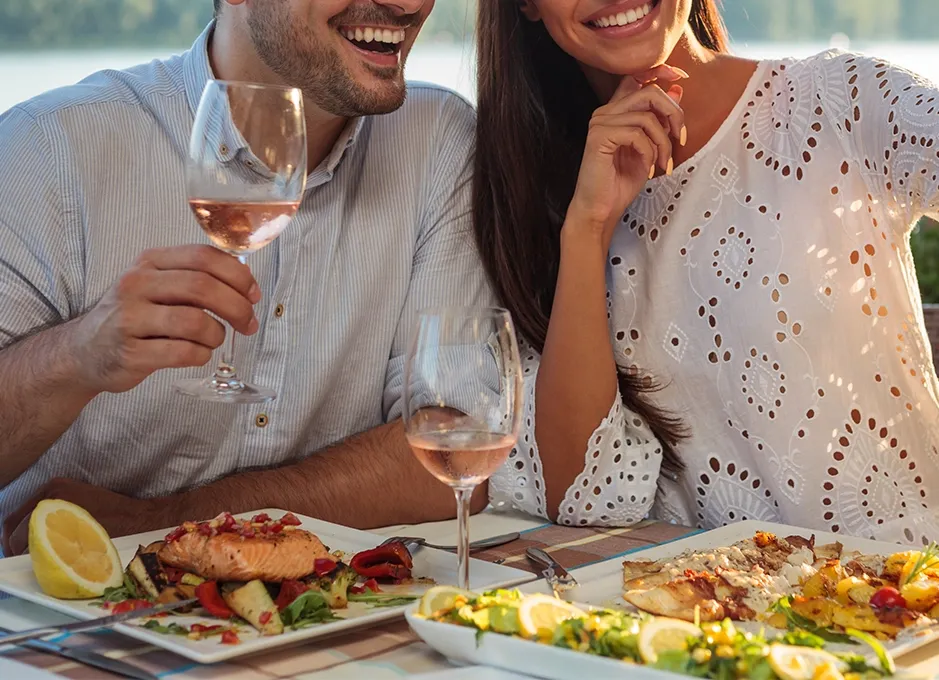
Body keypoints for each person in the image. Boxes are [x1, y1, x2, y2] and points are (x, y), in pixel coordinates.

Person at [0, 0, 493, 556]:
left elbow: (455, 455)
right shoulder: (49, 146)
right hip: (65, 616)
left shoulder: (438, 141)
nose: (407, 4)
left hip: (325, 611)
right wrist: (76, 356)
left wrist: (163, 522)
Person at [479, 0, 939, 544]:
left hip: (905, 604)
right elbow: (585, 500)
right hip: (707, 616)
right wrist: (588, 229)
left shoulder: (835, 100)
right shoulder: (546, 197)